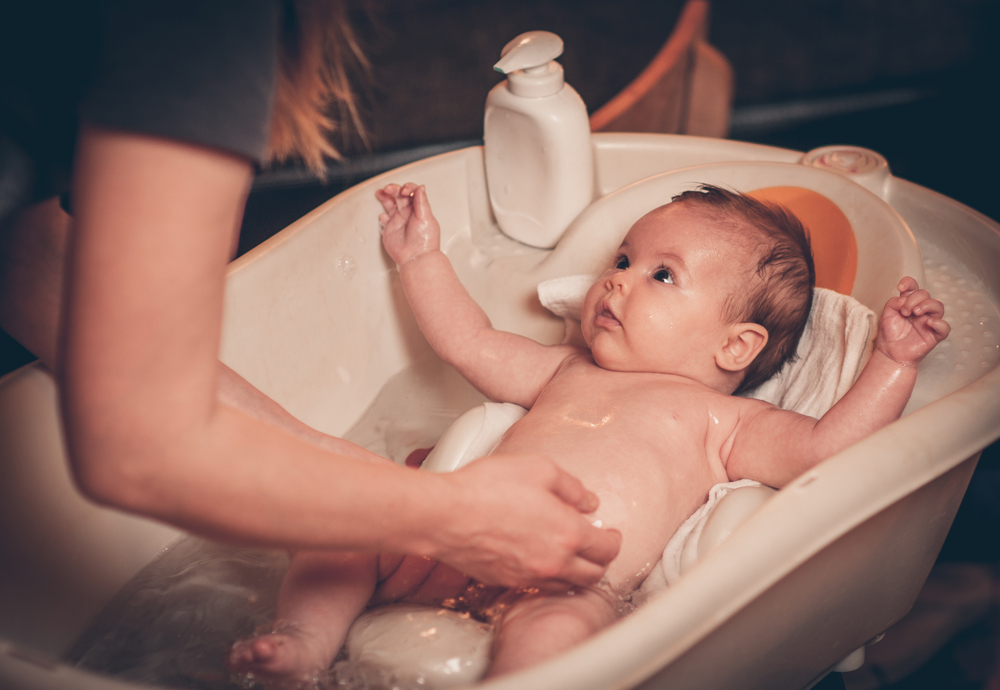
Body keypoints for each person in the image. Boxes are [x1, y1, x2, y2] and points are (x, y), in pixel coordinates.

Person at [0, 1, 619, 592]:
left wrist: (340, 466)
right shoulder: (192, 23)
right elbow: (140, 447)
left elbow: (31, 258)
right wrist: (451, 514)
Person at [228, 181, 951, 683]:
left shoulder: (725, 422)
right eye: (625, 260)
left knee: (559, 646)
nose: (618, 280)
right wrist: (421, 259)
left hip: (571, 580)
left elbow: (827, 451)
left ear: (735, 347)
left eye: (662, 277)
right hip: (458, 538)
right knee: (348, 528)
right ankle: (301, 646)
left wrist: (892, 361)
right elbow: (469, 342)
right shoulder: (562, 370)